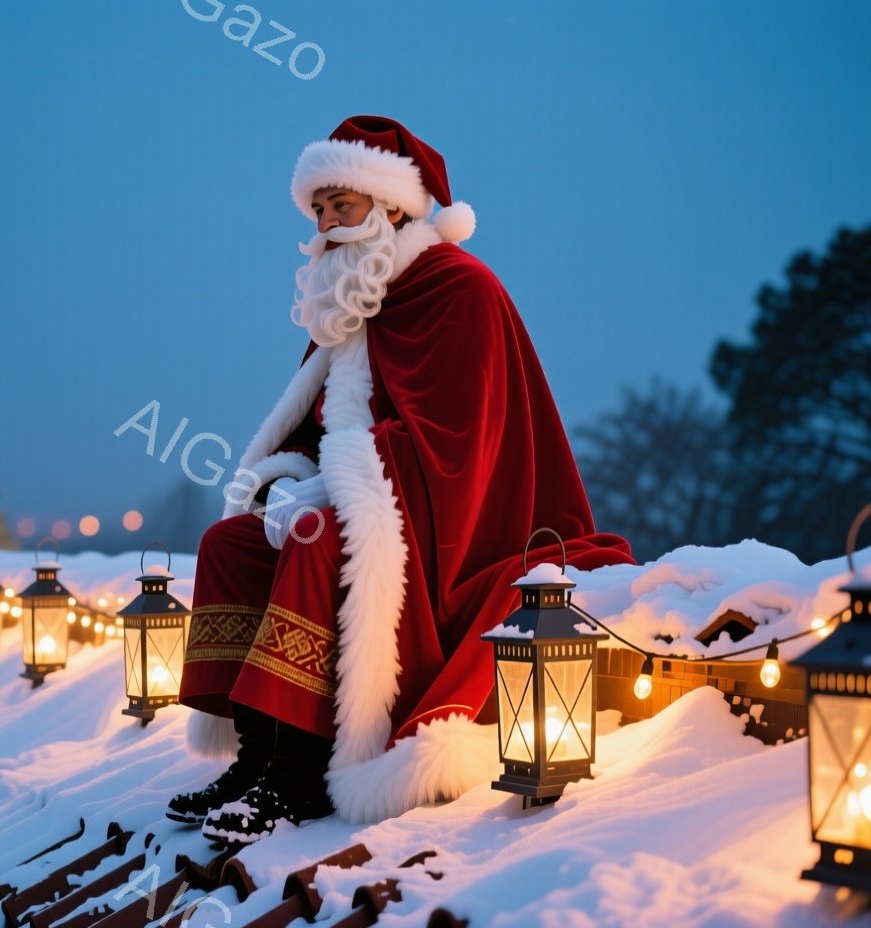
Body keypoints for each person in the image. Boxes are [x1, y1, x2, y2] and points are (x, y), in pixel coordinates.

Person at [169, 116, 634, 845]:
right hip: (366, 499)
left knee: (316, 537)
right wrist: (284, 480)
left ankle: (298, 770)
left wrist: (326, 490)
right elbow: (313, 429)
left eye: (341, 205)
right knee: (229, 544)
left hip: (452, 526)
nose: (326, 224)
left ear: (390, 207)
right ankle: (256, 756)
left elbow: (458, 444)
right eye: (318, 210)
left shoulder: (461, 288)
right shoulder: (351, 300)